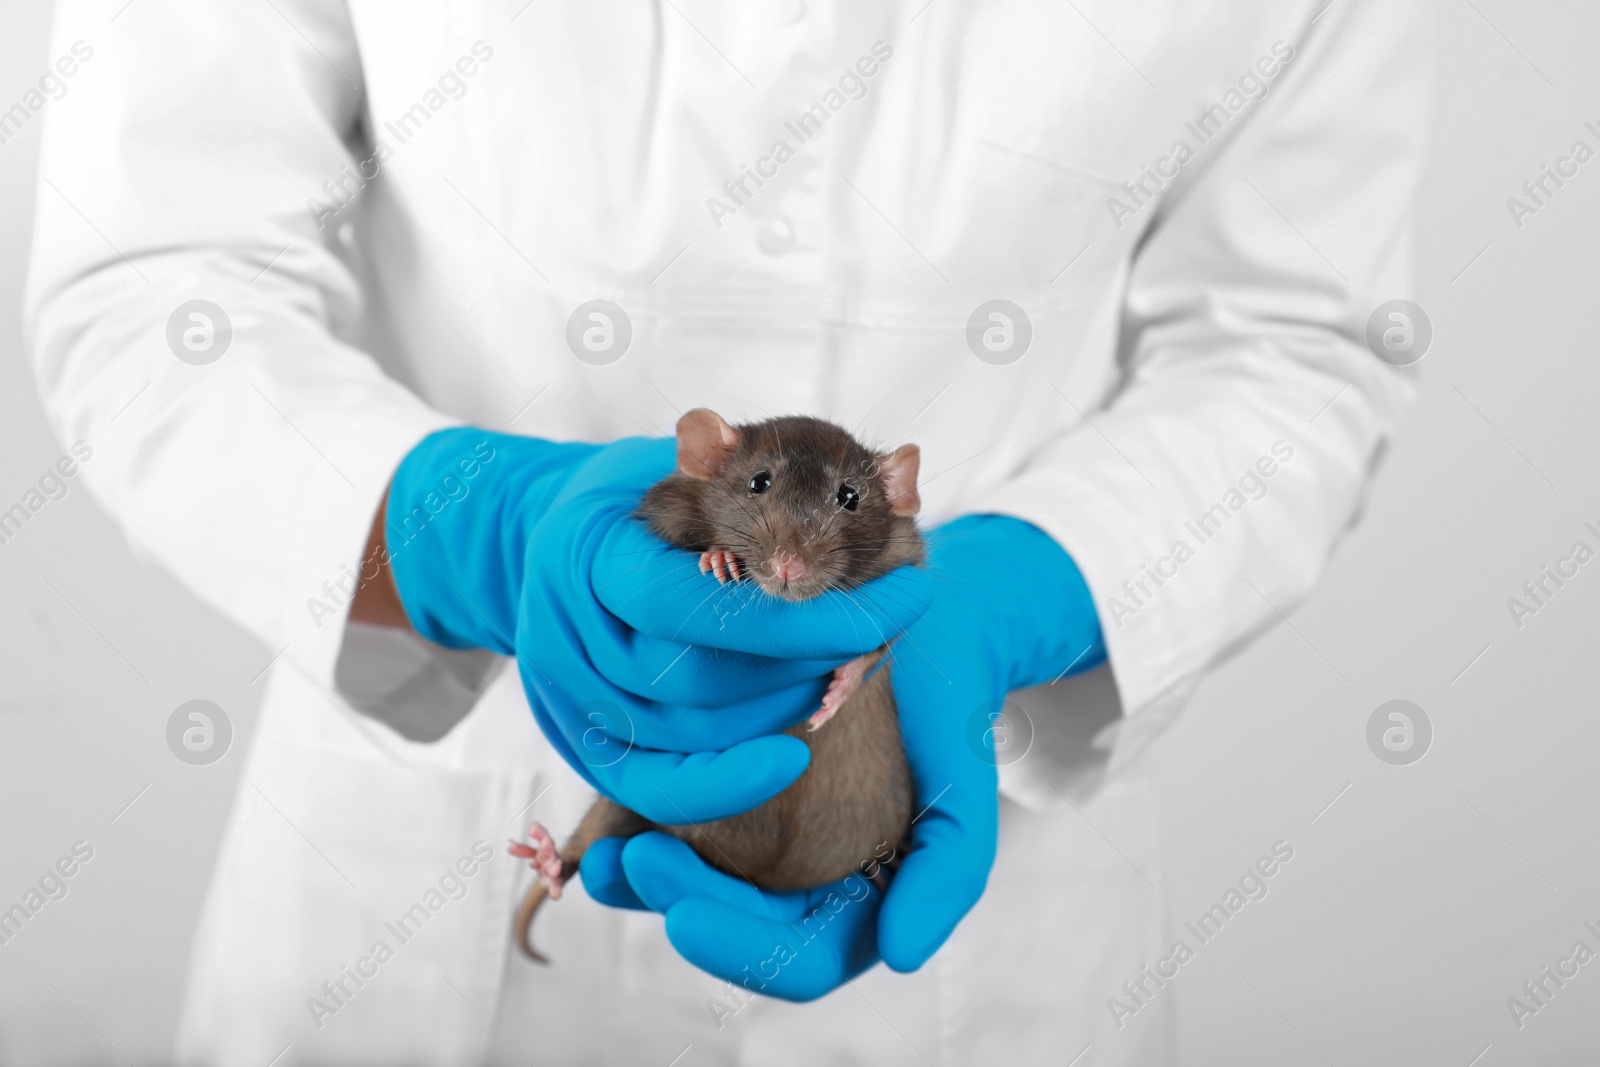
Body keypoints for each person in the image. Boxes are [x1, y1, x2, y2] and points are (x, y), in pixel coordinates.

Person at [24, 1, 1434, 1064]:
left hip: (978, 863)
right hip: (410, 869)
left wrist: (1030, 591)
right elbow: (160, 274)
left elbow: (1293, 339)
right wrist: (476, 537)